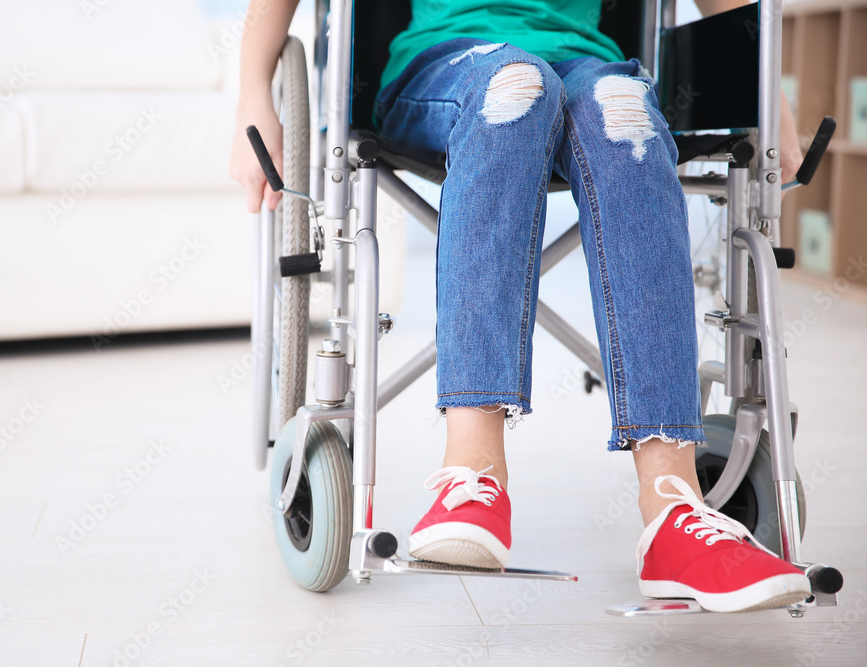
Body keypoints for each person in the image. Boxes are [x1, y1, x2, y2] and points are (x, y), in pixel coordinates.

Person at [230, 0, 810, 613]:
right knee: (516, 87)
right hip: (444, 65)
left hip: (584, 64)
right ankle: (472, 474)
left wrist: (772, 101)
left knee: (624, 109)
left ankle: (674, 511)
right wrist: (252, 94)